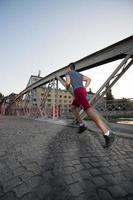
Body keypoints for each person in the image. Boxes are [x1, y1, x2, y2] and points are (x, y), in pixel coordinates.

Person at [65, 62, 115, 148]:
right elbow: (89, 79)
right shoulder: (78, 74)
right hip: (82, 91)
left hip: (78, 92)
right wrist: (84, 87)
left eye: (67, 68)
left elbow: (68, 83)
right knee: (73, 107)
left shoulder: (68, 72)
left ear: (69, 67)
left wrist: (67, 87)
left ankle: (107, 133)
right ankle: (82, 125)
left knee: (88, 110)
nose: (67, 69)